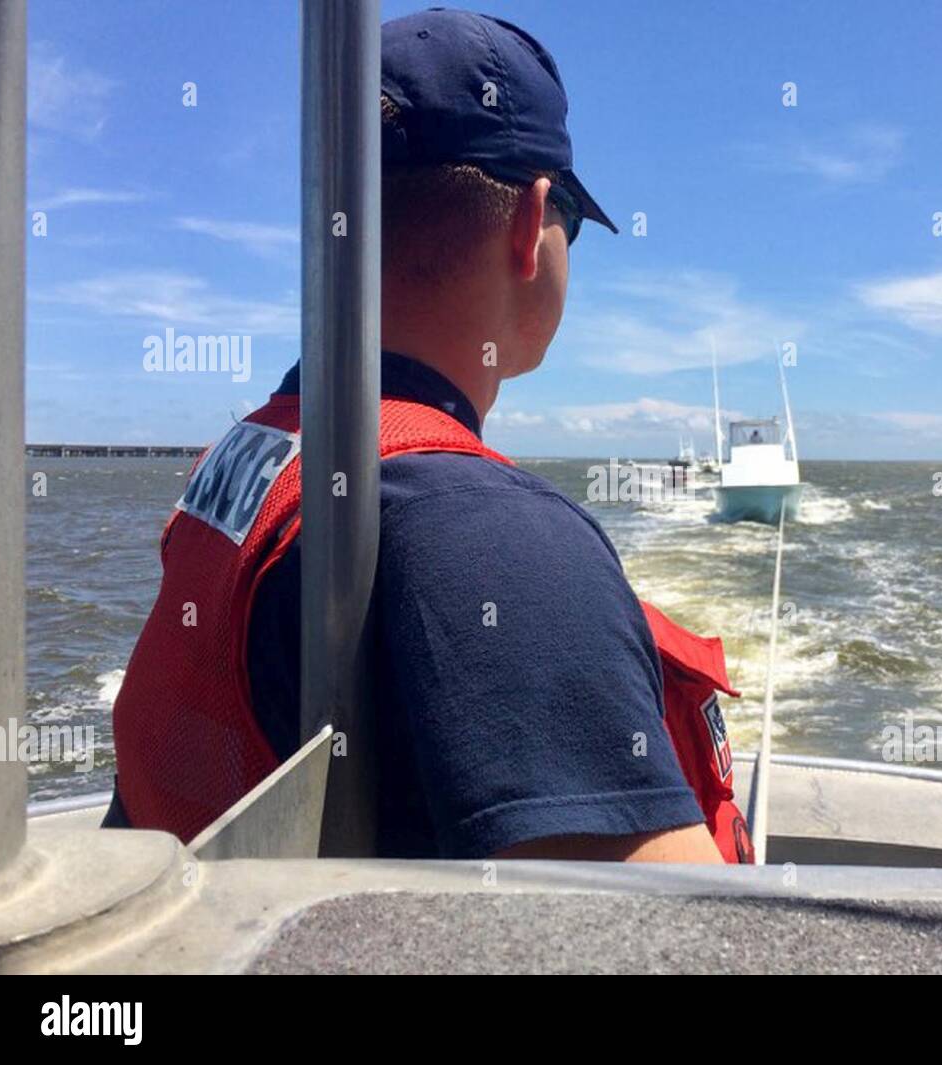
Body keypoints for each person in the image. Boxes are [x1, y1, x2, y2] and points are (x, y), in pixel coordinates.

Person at [106, 8, 753, 864]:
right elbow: (681, 948)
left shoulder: (255, 454)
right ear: (531, 226)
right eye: (572, 217)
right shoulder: (493, 538)